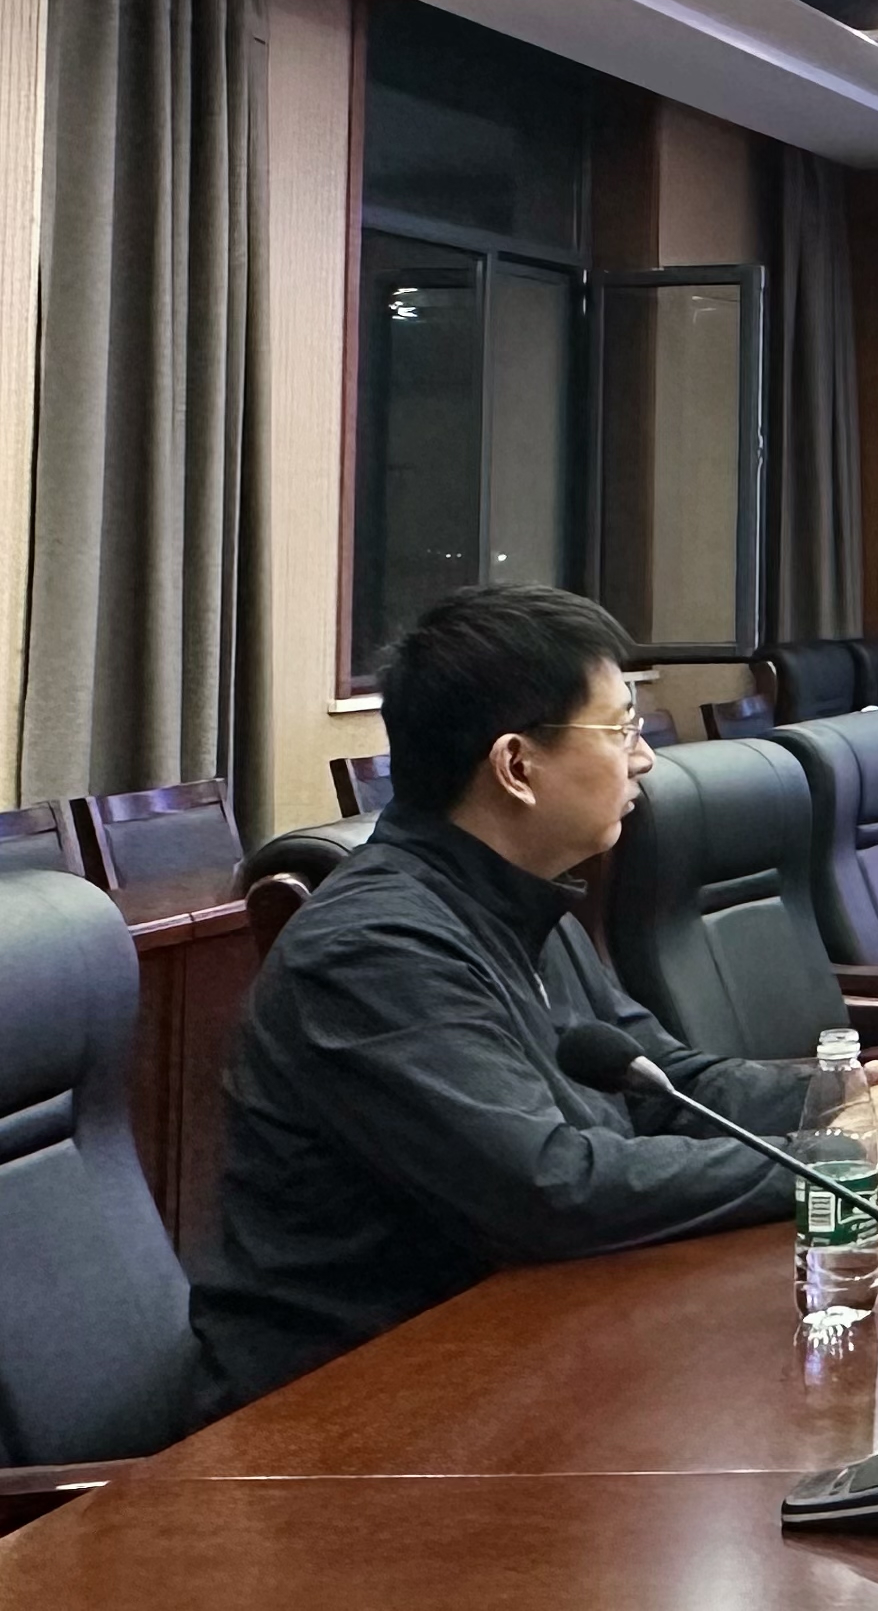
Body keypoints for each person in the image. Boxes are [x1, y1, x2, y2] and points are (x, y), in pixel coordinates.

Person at [190, 585, 819, 1415]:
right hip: (344, 1418)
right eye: (620, 729)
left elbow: (664, 1086)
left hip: (500, 1360)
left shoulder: (521, 899)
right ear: (517, 767)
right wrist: (831, 1166)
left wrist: (846, 1097)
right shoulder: (374, 951)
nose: (644, 759)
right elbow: (550, 1190)